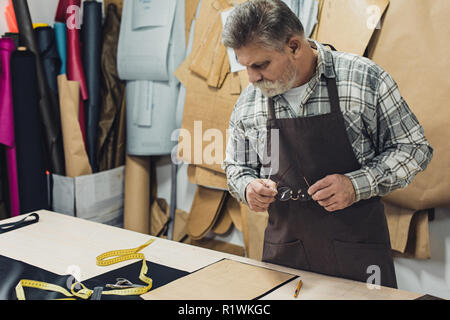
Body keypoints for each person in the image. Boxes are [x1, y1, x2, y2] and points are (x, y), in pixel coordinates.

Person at [221, 0, 433, 288]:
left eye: (261, 64)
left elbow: (414, 148)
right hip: (286, 255)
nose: (252, 77)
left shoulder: (362, 79)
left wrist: (357, 184)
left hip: (359, 255)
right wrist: (247, 187)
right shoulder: (251, 100)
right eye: (245, 66)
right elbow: (237, 166)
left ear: (294, 46)